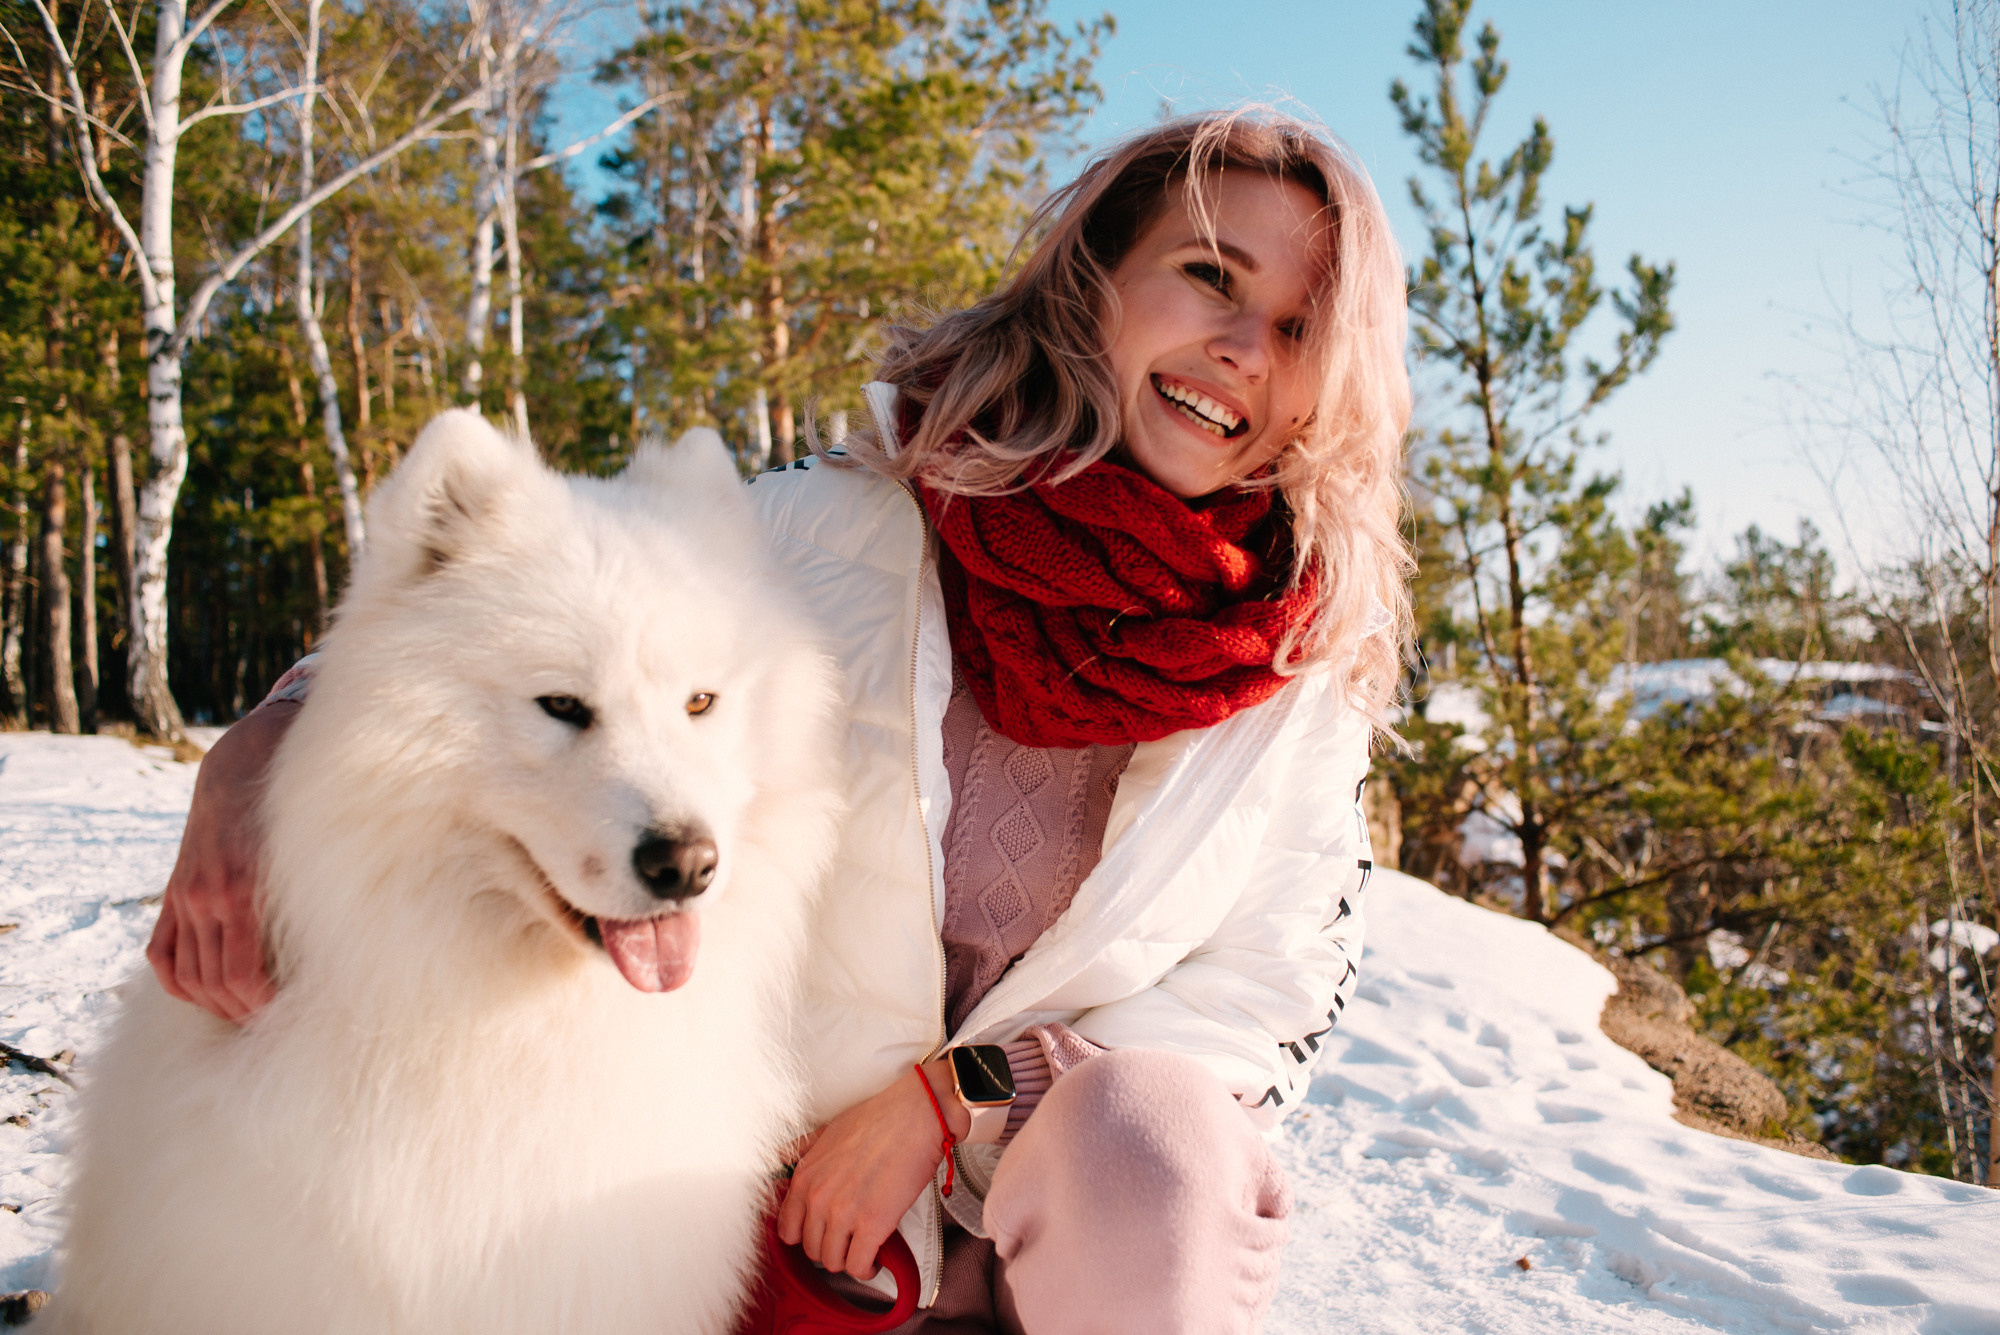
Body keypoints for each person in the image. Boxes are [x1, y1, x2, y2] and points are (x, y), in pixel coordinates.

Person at [151, 108, 1411, 1334]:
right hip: (785, 1218)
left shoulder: (1295, 667)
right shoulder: (824, 526)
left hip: (1082, 1228)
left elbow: (1270, 990)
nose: (1243, 346)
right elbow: (497, 629)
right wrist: (251, 755)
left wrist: (958, 1097)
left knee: (1165, 1144)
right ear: (1096, 281)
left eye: (1298, 326)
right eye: (1207, 276)